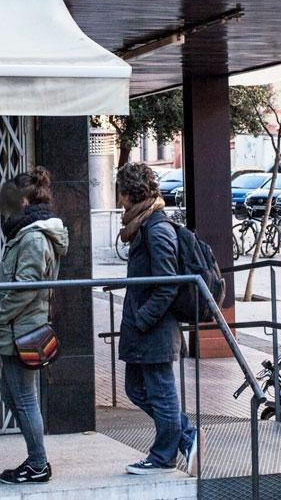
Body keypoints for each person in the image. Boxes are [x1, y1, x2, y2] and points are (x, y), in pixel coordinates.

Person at [0, 167, 68, 485]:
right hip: (21, 326)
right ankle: (36, 460)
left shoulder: (33, 236)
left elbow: (26, 287)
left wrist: (0, 316)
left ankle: (37, 463)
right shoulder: (30, 231)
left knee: (24, 397)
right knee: (13, 394)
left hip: (22, 329)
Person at [115, 162, 198, 476]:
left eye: (121, 191)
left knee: (161, 393)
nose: (119, 198)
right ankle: (187, 437)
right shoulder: (142, 225)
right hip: (144, 328)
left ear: (129, 193)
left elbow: (168, 283)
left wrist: (142, 318)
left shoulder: (156, 228)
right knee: (136, 389)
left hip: (154, 329)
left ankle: (163, 456)